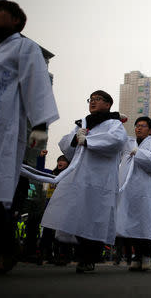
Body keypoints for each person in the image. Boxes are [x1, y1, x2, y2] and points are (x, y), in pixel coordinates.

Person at [0, 0, 59, 273]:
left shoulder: (24, 47)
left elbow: (38, 88)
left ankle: (5, 250)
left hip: (4, 131)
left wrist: (39, 128)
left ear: (16, 21)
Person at [41, 90, 127, 273]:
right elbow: (67, 145)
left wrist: (87, 140)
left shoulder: (114, 124)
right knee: (77, 215)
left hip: (101, 179)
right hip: (80, 177)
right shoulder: (83, 122)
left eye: (98, 99)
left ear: (108, 104)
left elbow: (117, 141)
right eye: (91, 99)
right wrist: (75, 138)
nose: (93, 102)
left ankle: (89, 258)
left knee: (94, 218)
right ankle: (78, 255)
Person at [116, 116, 151, 271]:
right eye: (137, 125)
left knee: (144, 224)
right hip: (129, 191)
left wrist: (139, 152)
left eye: (142, 126)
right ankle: (136, 256)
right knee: (131, 225)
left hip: (145, 191)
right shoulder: (128, 143)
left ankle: (146, 256)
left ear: (149, 130)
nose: (138, 128)